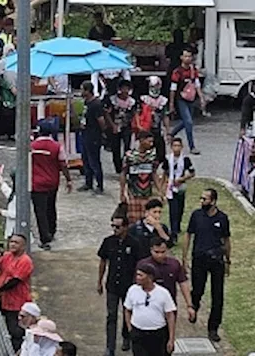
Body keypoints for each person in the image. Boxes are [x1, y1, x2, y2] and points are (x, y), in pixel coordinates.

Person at [182, 187, 230, 343]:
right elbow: (188, 235)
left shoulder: (222, 218)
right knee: (198, 289)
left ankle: (213, 328)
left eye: (205, 199)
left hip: (216, 260)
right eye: (201, 199)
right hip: (199, 258)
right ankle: (194, 308)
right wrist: (184, 257)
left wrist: (228, 259)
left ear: (213, 201)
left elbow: (226, 240)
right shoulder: (196, 215)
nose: (202, 201)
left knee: (218, 295)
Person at [98, 211, 137, 356]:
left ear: (126, 227)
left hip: (129, 286)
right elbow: (103, 261)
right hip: (112, 285)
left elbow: (138, 264)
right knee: (111, 316)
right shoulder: (108, 241)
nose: (115, 230)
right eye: (113, 226)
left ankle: (126, 337)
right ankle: (110, 347)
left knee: (129, 313)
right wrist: (99, 281)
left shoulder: (134, 243)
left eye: (118, 227)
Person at [0, 233, 34, 351]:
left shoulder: (25, 261)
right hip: (5, 299)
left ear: (23, 246)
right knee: (2, 326)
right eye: (11, 242)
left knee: (16, 332)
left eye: (16, 243)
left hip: (17, 302)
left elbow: (15, 281)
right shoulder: (7, 256)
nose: (13, 244)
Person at [30, 124, 71, 250]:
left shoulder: (32, 146)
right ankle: (52, 230)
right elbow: (63, 164)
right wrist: (68, 179)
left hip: (36, 183)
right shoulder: (57, 147)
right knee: (51, 206)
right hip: (52, 182)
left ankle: (44, 237)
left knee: (40, 211)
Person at [122, 262, 175, 356]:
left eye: (140, 275)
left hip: (157, 334)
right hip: (138, 333)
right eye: (137, 274)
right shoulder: (132, 290)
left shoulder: (163, 293)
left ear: (150, 277)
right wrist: (130, 329)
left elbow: (170, 316)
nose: (137, 277)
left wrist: (171, 339)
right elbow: (127, 310)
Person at [162, 137, 193, 242]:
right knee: (173, 211)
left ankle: (177, 226)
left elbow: (192, 173)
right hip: (171, 187)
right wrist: (163, 187)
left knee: (180, 209)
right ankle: (174, 233)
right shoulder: (167, 159)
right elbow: (165, 172)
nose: (176, 148)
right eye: (174, 146)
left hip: (180, 188)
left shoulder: (185, 159)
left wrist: (182, 179)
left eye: (178, 146)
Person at [80, 81, 109, 194]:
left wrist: (103, 132)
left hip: (93, 135)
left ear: (88, 90)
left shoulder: (96, 104)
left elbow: (101, 120)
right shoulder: (86, 103)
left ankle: (99, 184)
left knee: (94, 161)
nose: (81, 92)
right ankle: (88, 183)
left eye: (82, 89)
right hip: (85, 133)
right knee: (86, 159)